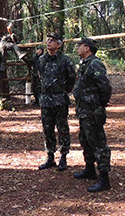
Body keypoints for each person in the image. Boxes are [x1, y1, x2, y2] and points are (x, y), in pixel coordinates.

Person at [73, 37, 112, 192]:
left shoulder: (95, 63)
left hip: (92, 110)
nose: (77, 48)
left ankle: (104, 178)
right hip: (83, 110)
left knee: (98, 143)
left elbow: (105, 86)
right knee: (86, 140)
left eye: (79, 45)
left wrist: (100, 103)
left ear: (87, 48)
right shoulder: (85, 64)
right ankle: (90, 169)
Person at [33, 33, 76, 171]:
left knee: (62, 129)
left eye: (52, 41)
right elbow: (38, 74)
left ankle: (63, 157)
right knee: (47, 129)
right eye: (48, 40)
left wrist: (62, 91)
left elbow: (71, 79)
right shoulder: (42, 60)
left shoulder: (65, 60)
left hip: (59, 100)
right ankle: (50, 156)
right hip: (46, 100)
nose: (49, 42)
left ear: (59, 44)